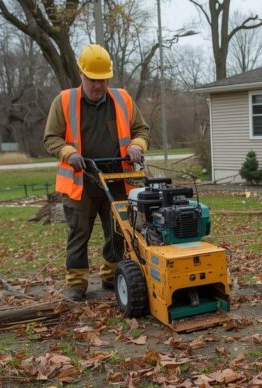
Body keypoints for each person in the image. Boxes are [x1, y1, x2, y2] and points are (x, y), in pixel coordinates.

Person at [43, 44, 151, 301]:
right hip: (81, 181)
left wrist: (137, 146)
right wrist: (69, 152)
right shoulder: (64, 101)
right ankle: (77, 283)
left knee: (118, 231)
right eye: (93, 79)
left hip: (117, 179)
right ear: (81, 74)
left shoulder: (122, 99)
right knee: (79, 232)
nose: (99, 85)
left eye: (103, 80)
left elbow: (142, 130)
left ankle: (111, 275)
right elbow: (51, 138)